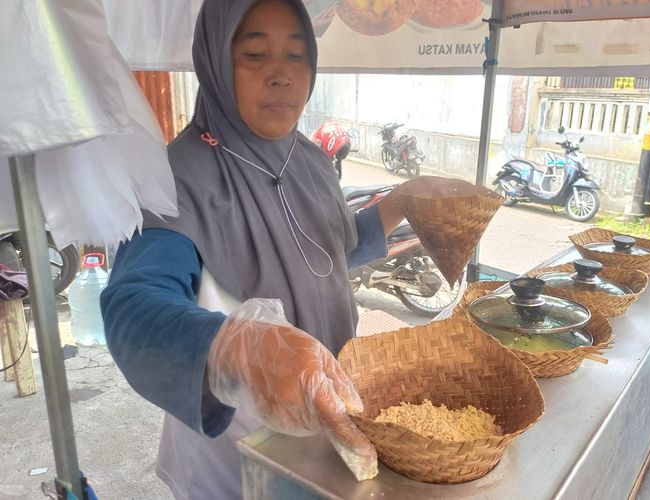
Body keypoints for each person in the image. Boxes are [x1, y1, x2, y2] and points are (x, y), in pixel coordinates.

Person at [101, 1, 452, 498]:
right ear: (217, 63)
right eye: (254, 54)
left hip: (332, 418)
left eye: (297, 55)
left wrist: (400, 201)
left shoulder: (308, 159)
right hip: (239, 446)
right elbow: (133, 307)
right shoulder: (181, 179)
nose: (282, 75)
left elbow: (329, 255)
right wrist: (243, 346)